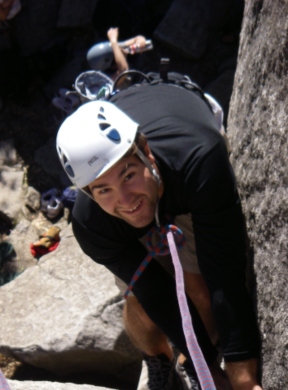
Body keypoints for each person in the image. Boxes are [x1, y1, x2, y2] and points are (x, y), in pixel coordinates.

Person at [56, 81, 262, 390]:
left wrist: (242, 378)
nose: (125, 198)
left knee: (201, 287)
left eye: (128, 174)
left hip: (181, 178)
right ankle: (162, 359)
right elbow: (156, 292)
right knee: (140, 304)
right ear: (88, 193)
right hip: (148, 185)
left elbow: (225, 273)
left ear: (146, 152)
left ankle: (198, 354)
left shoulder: (199, 159)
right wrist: (205, 368)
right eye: (104, 190)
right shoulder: (91, 224)